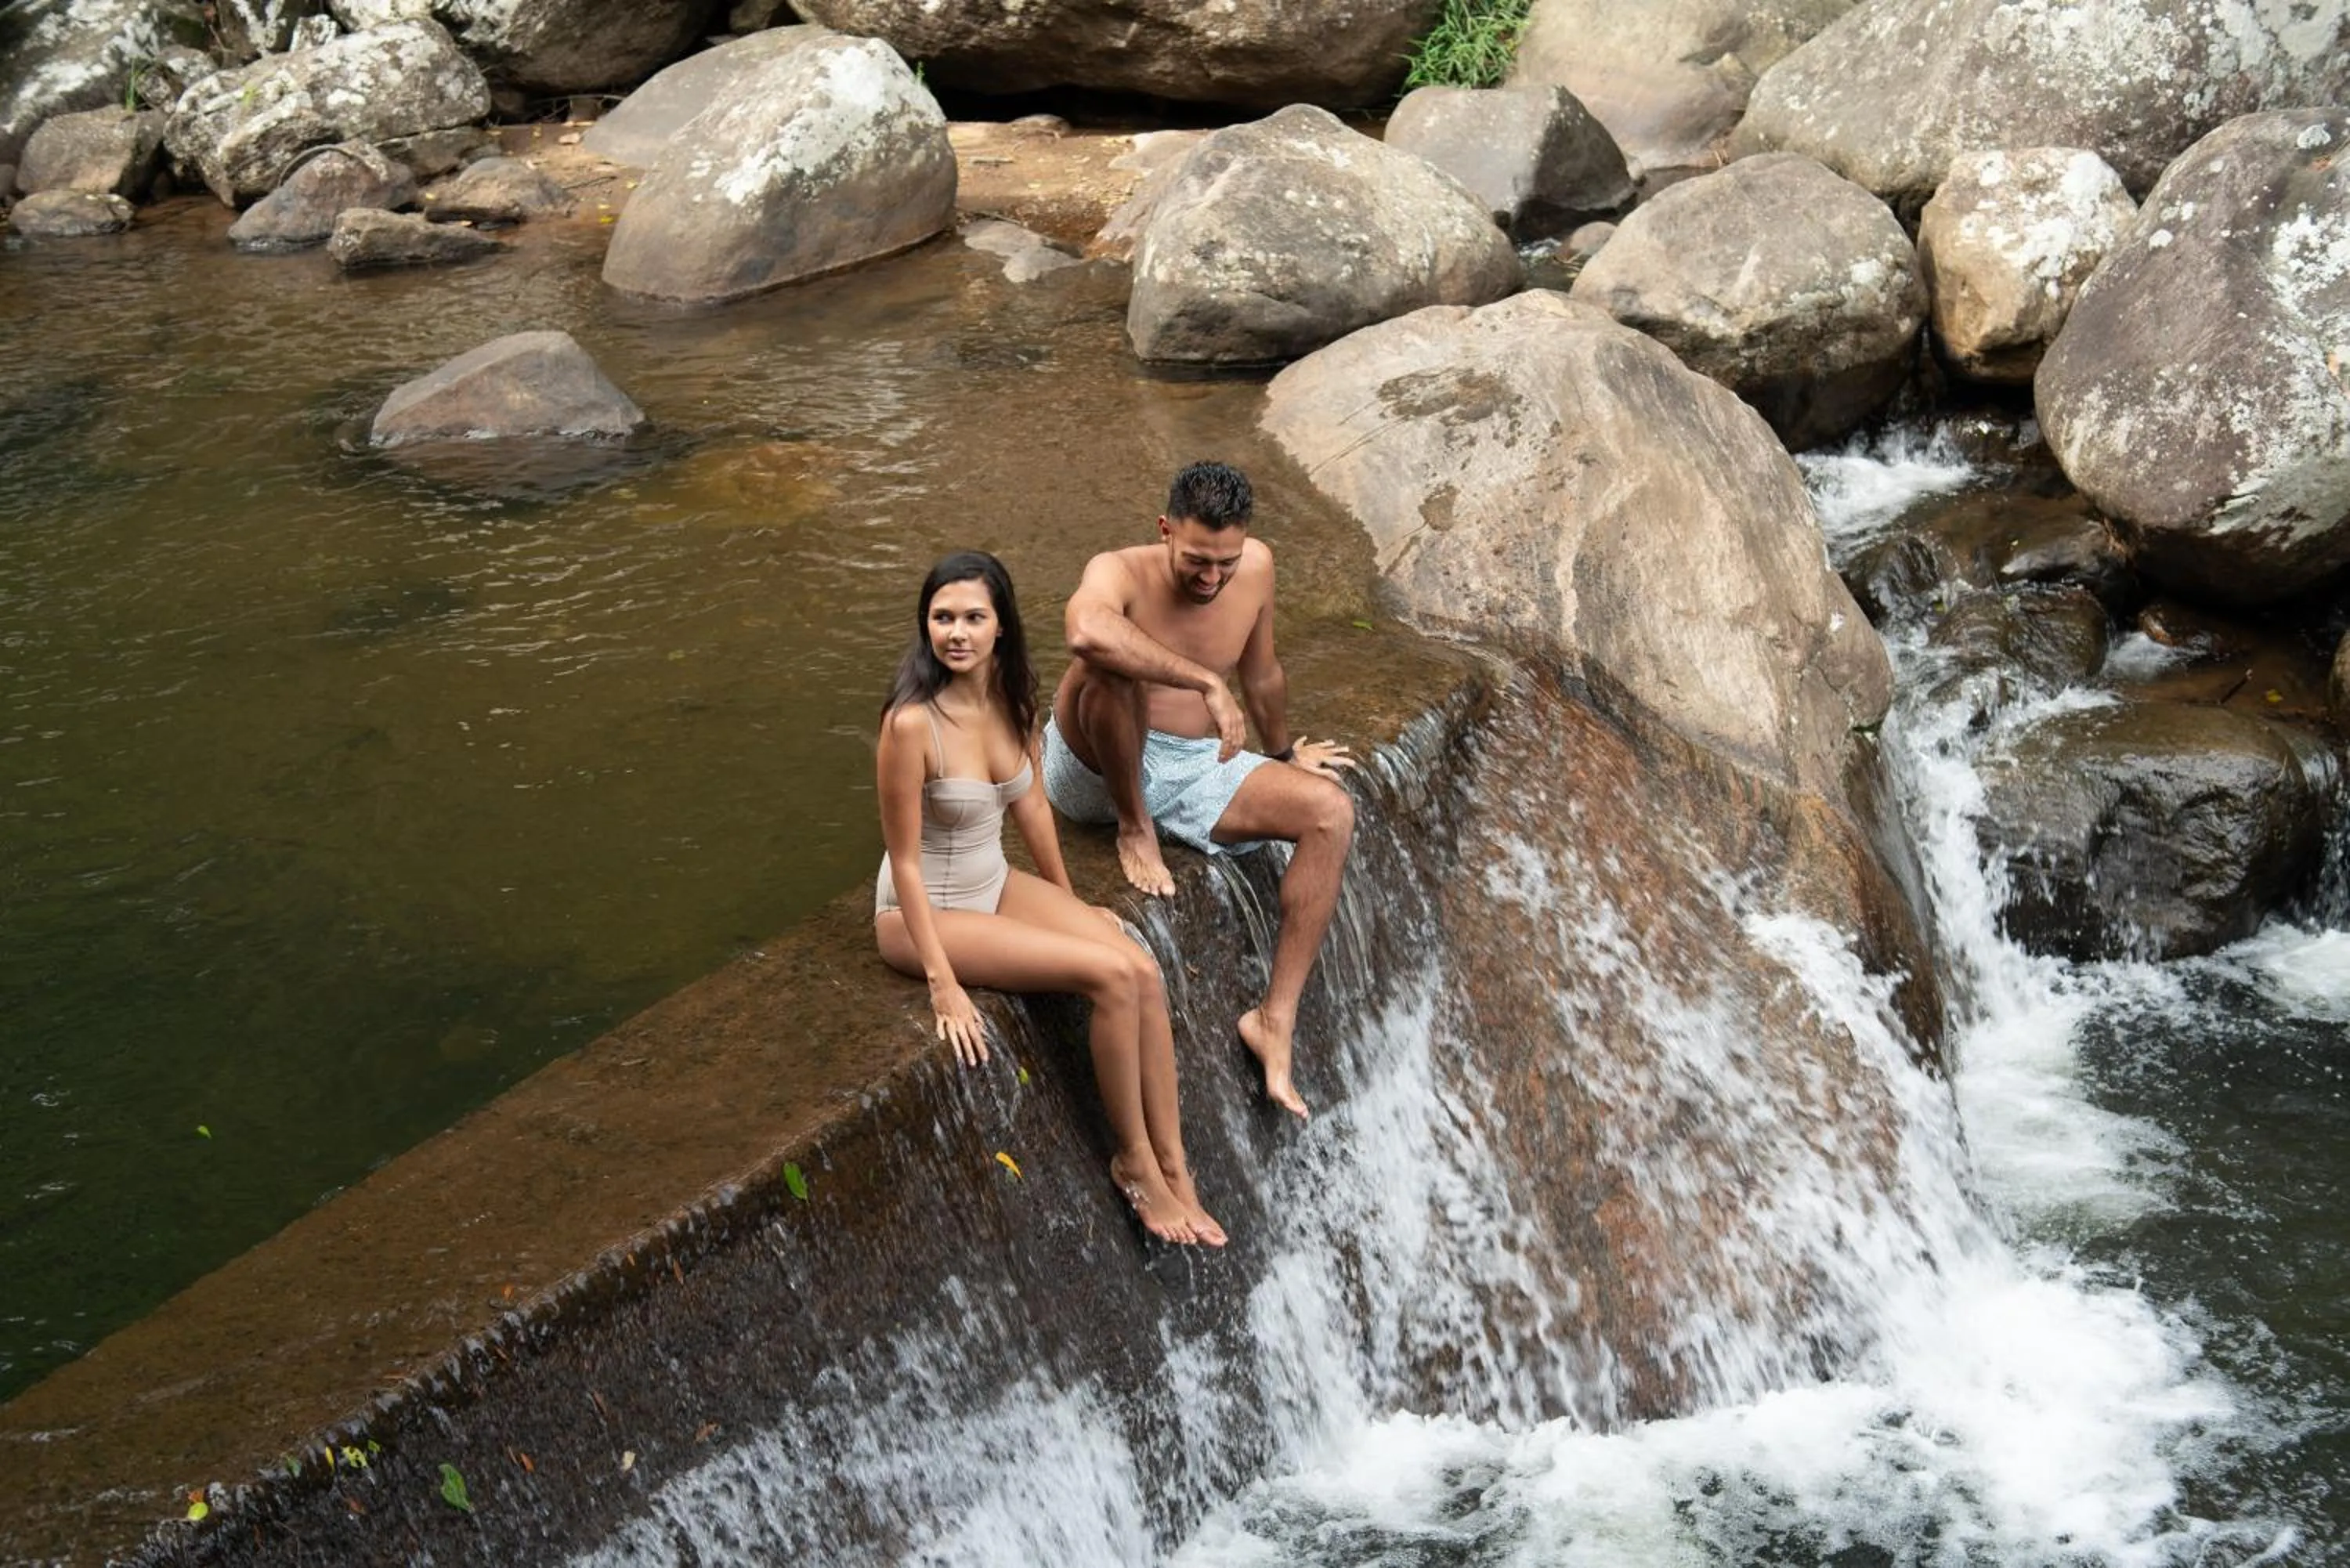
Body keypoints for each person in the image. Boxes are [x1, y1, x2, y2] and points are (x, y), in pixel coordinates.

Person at [873, 551, 1224, 1247]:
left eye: (974, 617)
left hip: (993, 884)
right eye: (942, 618)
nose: (957, 633)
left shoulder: (1013, 699)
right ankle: (1132, 1162)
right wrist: (944, 984)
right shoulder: (911, 725)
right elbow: (906, 865)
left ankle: (1174, 1164)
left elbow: (1032, 810)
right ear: (926, 627)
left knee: (1137, 960)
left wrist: (1072, 907)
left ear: (1000, 625)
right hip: (924, 916)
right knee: (1112, 976)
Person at [1043, 461, 1355, 1120]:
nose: (1212, 578)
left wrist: (1282, 754)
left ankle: (1274, 1020)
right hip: (1094, 770)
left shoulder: (1259, 568)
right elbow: (1085, 631)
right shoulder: (1119, 570)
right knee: (1109, 666)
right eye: (1196, 561)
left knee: (1330, 812)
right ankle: (1134, 827)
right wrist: (1205, 682)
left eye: (1226, 563)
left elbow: (1263, 673)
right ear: (1165, 531)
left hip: (1193, 768)